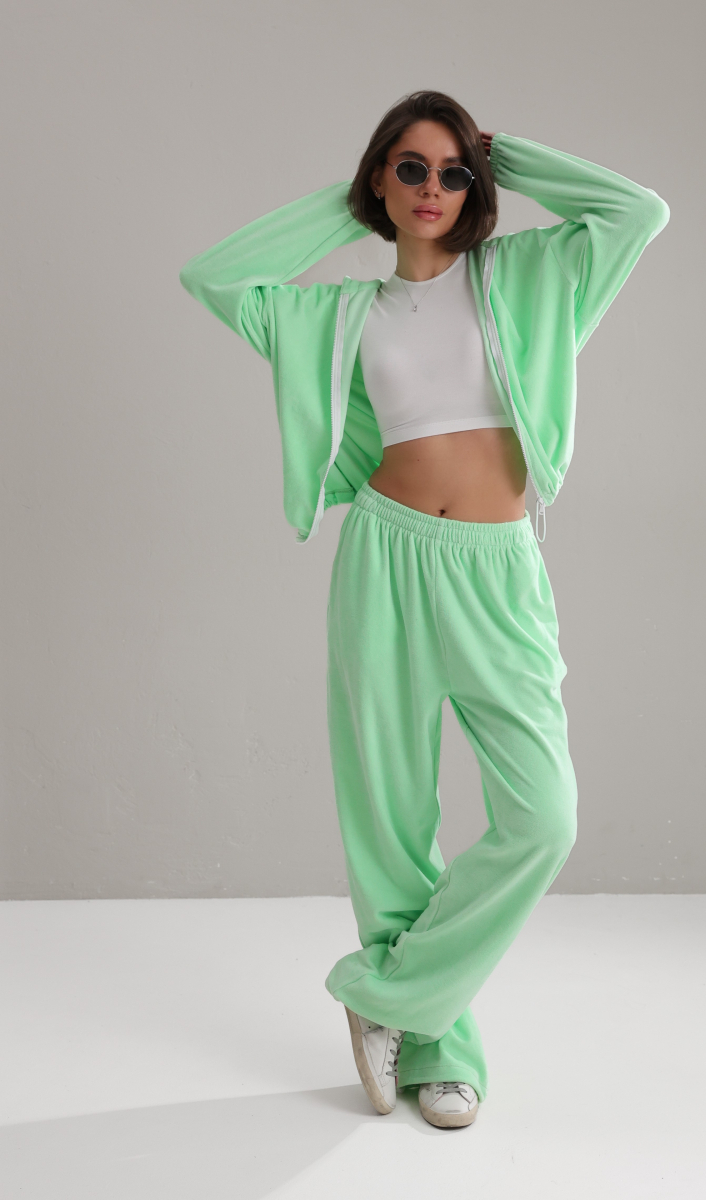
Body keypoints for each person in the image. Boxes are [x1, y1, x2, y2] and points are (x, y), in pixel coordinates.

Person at [179, 89, 669, 1129]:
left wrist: (509, 155)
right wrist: (351, 204)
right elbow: (214, 276)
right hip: (385, 556)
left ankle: (388, 996)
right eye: (410, 168)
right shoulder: (343, 316)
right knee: (392, 815)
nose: (433, 188)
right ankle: (441, 1048)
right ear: (379, 180)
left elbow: (638, 213)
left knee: (543, 817)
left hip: (497, 569)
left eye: (453, 172)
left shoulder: (528, 276)